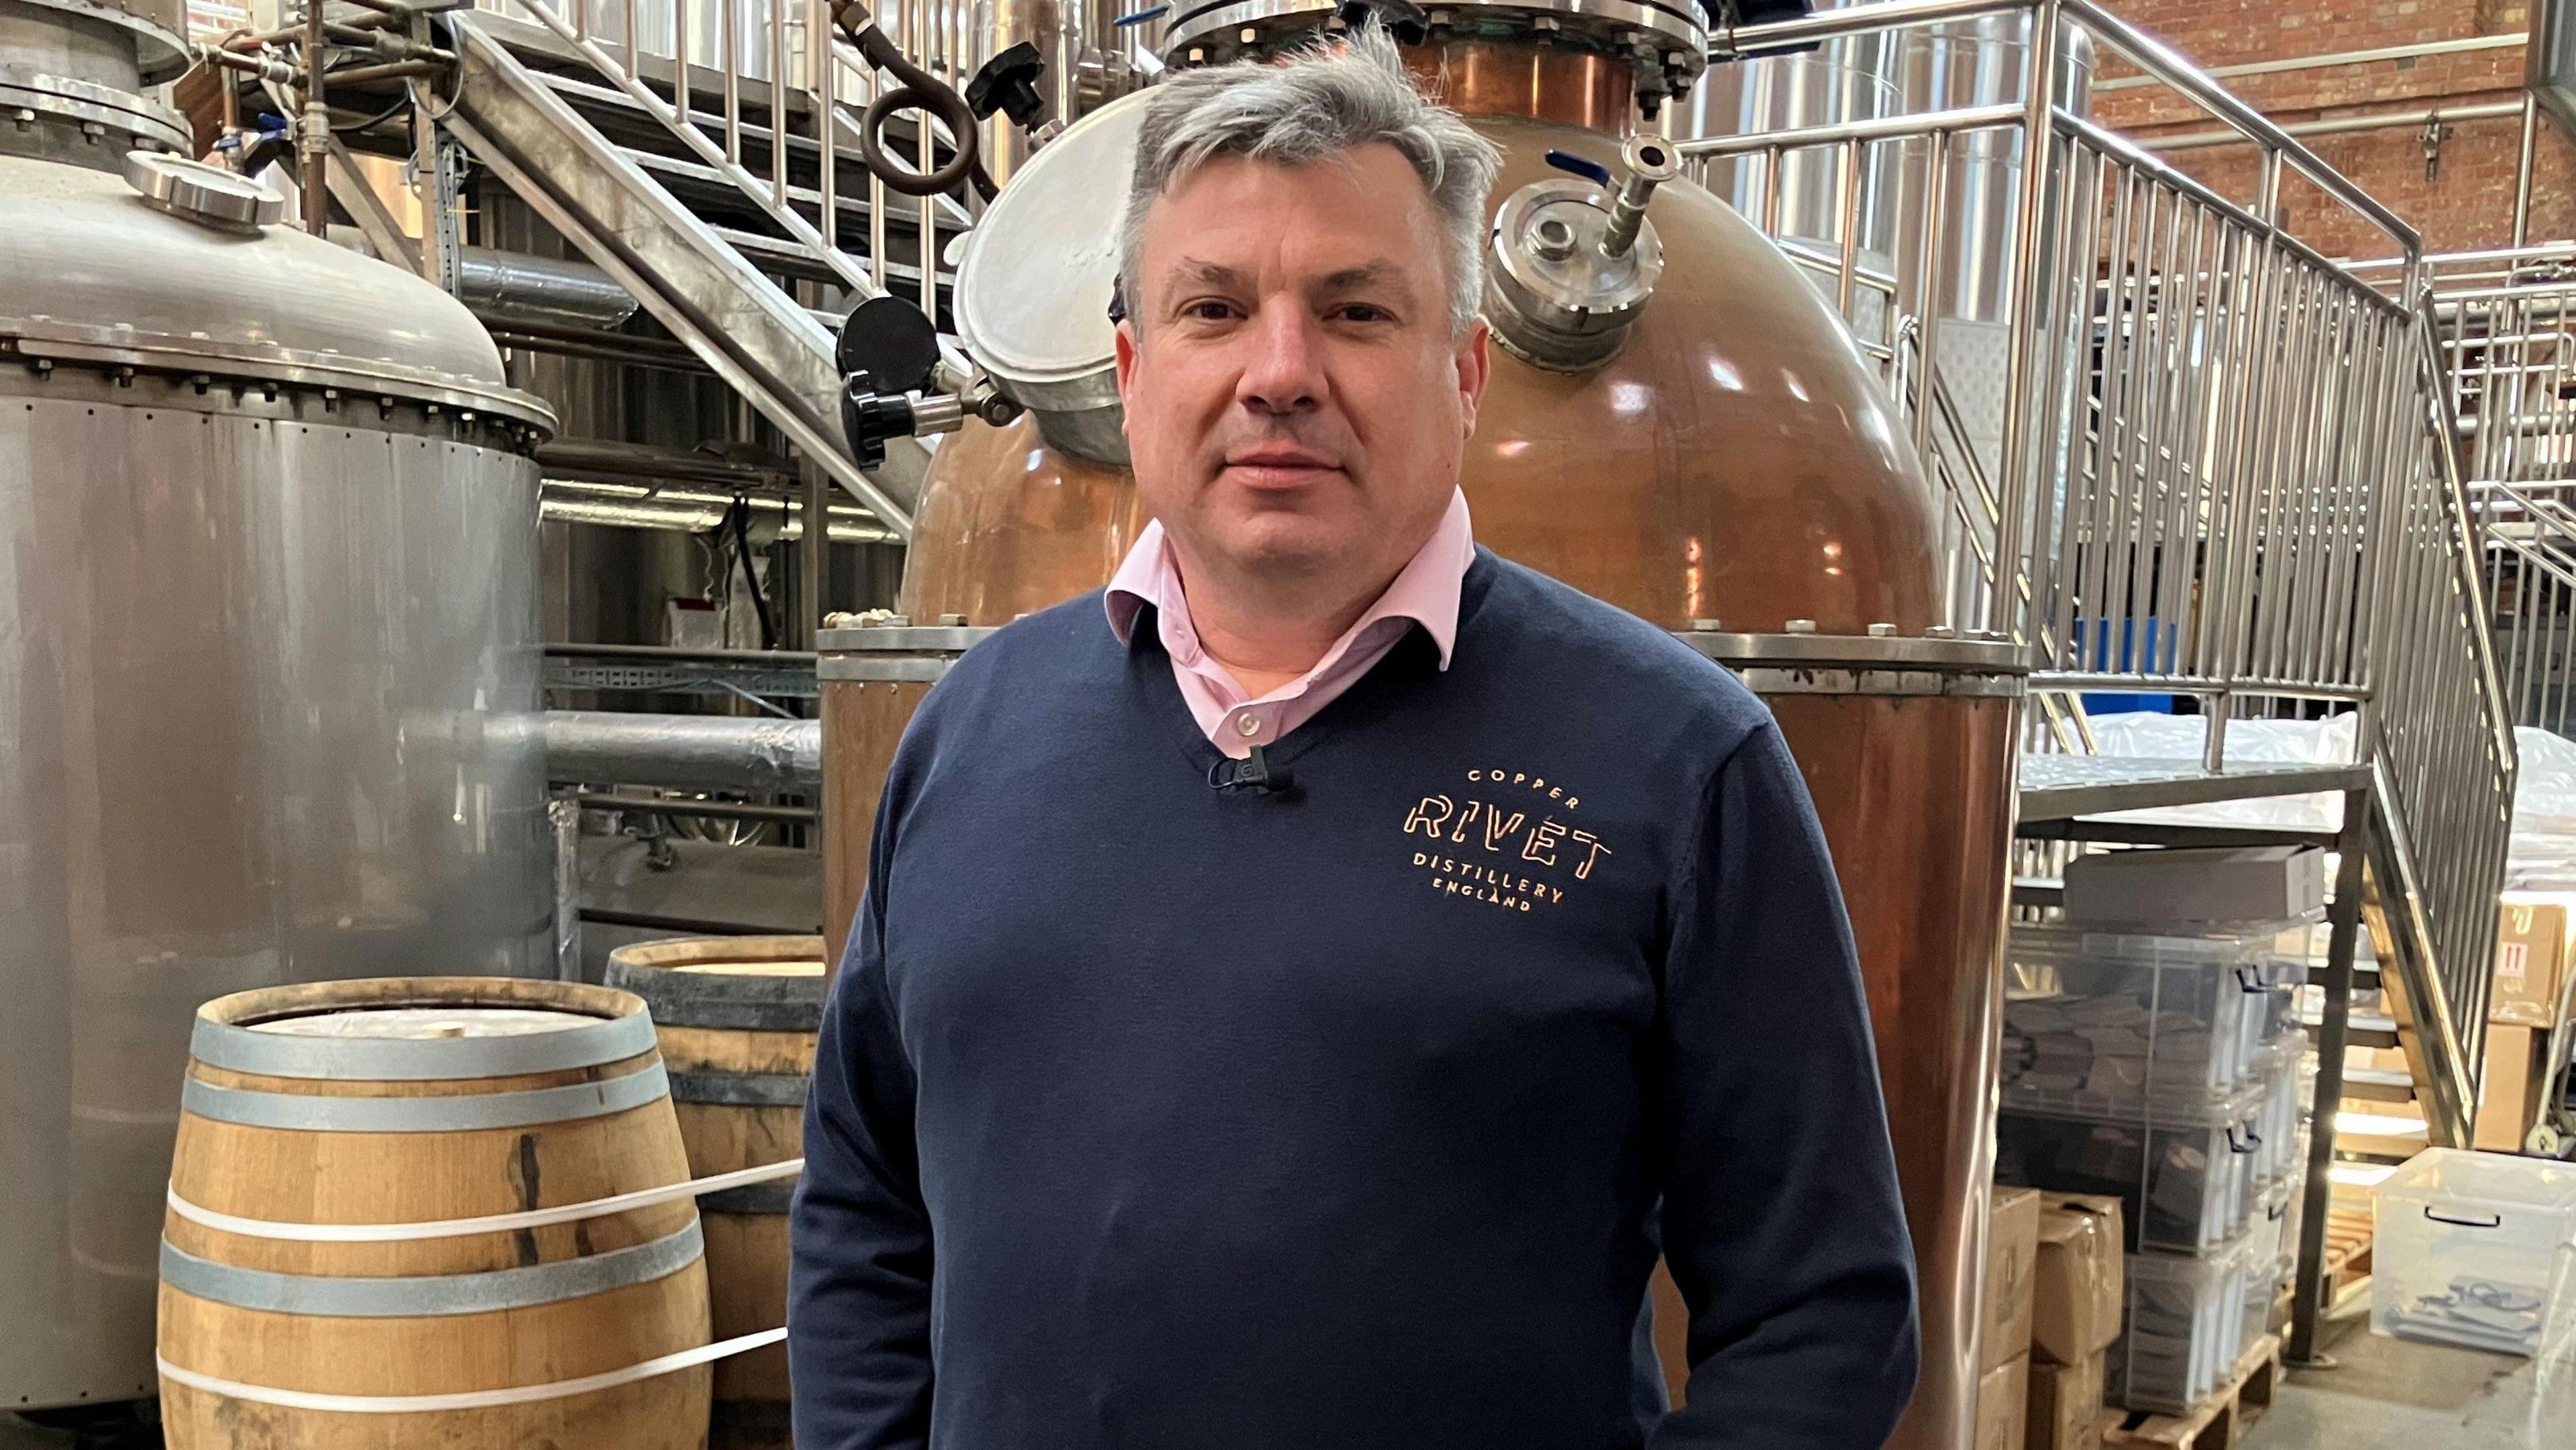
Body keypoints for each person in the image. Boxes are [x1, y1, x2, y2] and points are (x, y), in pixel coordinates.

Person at [790, 27, 1918, 1449]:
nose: (1279, 372)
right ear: (1133, 372)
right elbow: (862, 1201)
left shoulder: (1677, 765)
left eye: (1356, 311)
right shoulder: (973, 733)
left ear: (1465, 372)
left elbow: (1823, 1312)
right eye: (1214, 309)